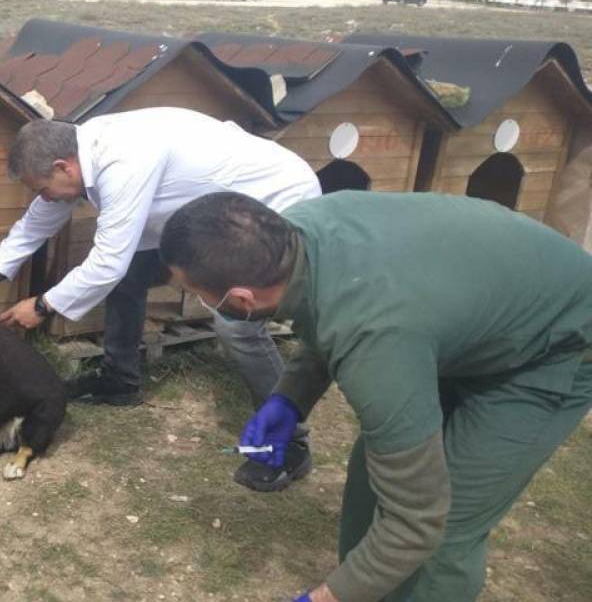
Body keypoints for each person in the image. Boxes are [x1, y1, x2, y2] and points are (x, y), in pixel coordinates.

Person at [159, 191, 592, 602]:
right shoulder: (295, 235)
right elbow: (333, 310)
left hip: (554, 345)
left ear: (241, 299)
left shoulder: (378, 344)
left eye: (197, 292)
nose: (197, 299)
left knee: (445, 527)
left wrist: (326, 598)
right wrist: (289, 398)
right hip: (457, 318)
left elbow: (417, 521)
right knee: (373, 478)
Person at [0, 108, 321, 491]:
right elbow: (39, 219)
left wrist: (41, 306)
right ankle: (120, 380)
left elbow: (106, 263)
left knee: (236, 325)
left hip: (271, 202)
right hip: (208, 212)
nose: (43, 197)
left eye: (41, 187)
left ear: (63, 167)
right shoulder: (83, 154)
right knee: (128, 274)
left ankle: (289, 443)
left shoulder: (123, 161)